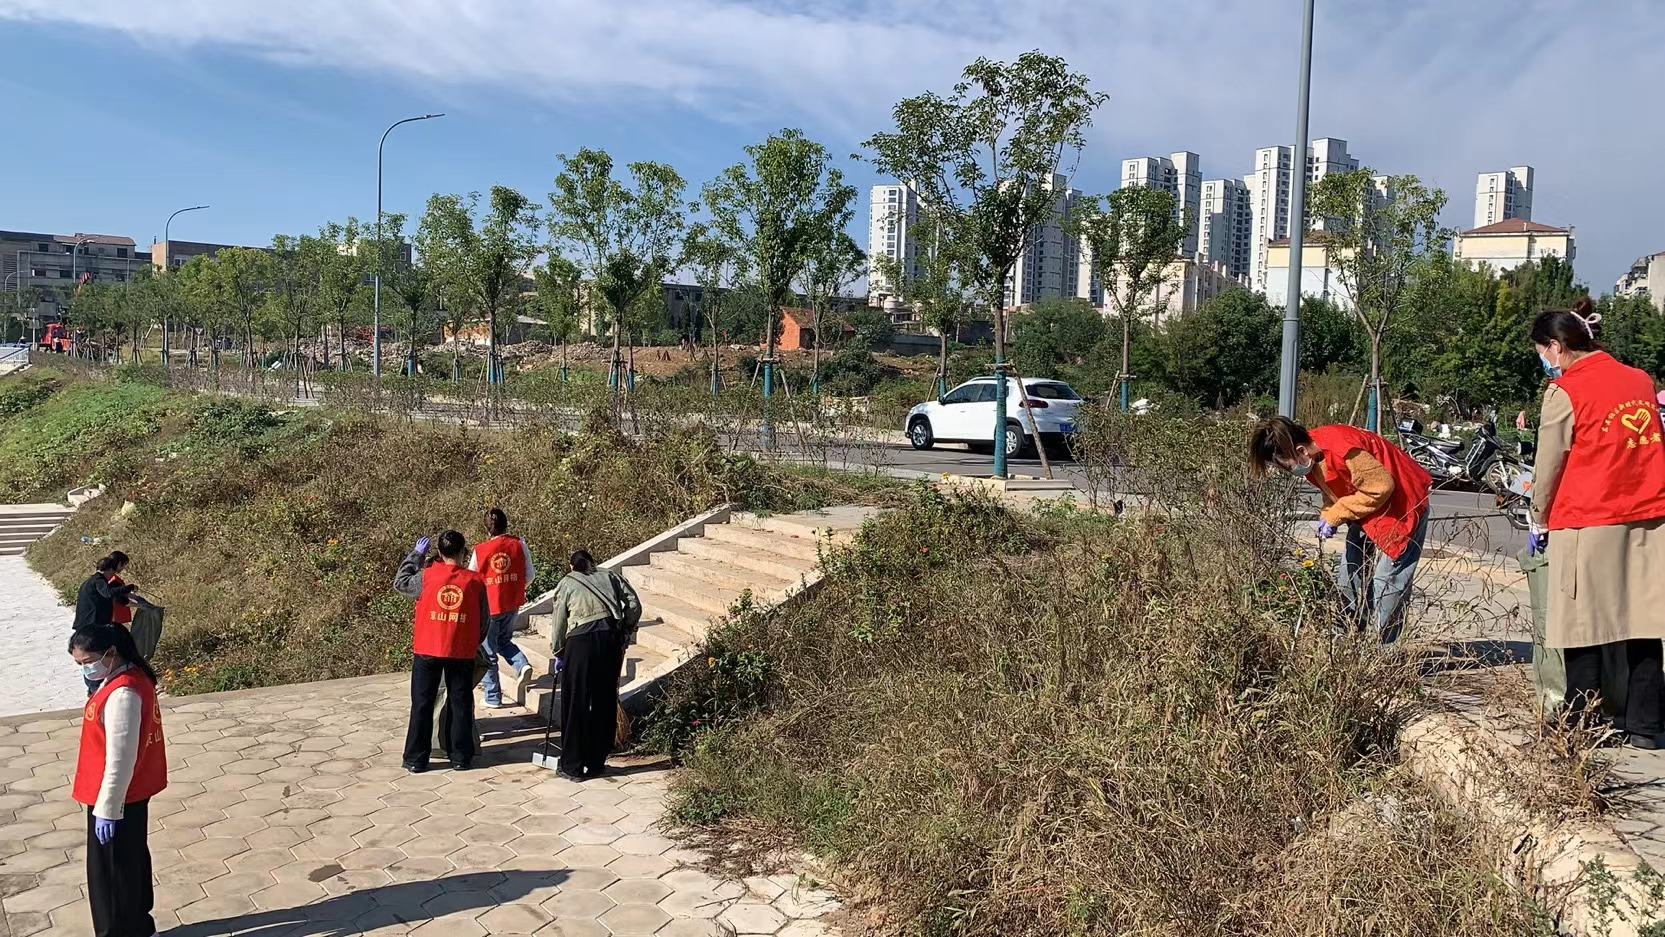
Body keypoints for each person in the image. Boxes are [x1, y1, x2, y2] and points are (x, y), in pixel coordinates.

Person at [1527, 297, 1665, 748]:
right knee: (1644, 622)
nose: (1545, 363)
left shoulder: (1565, 391)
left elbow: (1549, 462)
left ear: (1556, 347)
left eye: (1542, 353)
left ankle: (1580, 724)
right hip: (1649, 515)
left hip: (1587, 517)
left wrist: (1538, 517)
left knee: (1580, 623)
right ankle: (1646, 726)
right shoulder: (1640, 379)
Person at [1249, 416, 1433, 642]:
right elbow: (1332, 490)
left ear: (1300, 451)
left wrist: (1338, 513)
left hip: (1403, 506)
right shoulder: (1314, 456)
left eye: (1288, 467)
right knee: (1349, 572)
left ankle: (1384, 650)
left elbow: (1381, 487)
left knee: (1388, 583)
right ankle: (1346, 637)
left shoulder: (1342, 447)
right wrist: (1328, 513)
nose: (1289, 472)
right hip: (1368, 510)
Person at [68, 624, 167, 937]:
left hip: (115, 797)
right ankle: (139, 927)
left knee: (110, 877)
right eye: (79, 664)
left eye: (88, 662)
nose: (85, 669)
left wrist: (109, 808)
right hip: (129, 794)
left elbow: (121, 759)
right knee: (130, 863)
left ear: (111, 652)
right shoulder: (129, 677)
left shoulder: (123, 693)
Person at [393, 530, 489, 772]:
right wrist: (472, 640)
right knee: (461, 703)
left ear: (438, 552)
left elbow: (400, 582)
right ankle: (461, 757)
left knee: (422, 703)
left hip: (427, 648)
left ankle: (416, 759)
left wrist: (416, 555)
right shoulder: (475, 581)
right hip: (461, 650)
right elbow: (483, 620)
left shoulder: (425, 577)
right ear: (464, 552)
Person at [548, 549, 642, 780]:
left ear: (572, 567)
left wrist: (558, 650)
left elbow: (559, 621)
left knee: (576, 701)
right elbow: (634, 604)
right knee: (604, 700)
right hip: (610, 640)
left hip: (580, 643)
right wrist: (625, 630)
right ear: (593, 562)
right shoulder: (610, 575)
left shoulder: (567, 582)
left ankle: (572, 766)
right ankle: (597, 762)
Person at [469, 508, 535, 709]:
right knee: (504, 640)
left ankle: (492, 696)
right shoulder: (519, 543)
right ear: (506, 524)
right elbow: (530, 575)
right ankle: (521, 664)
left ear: (486, 528)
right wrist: (515, 588)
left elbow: (471, 580)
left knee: (488, 651)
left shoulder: (480, 550)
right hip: (512, 603)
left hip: (489, 607)